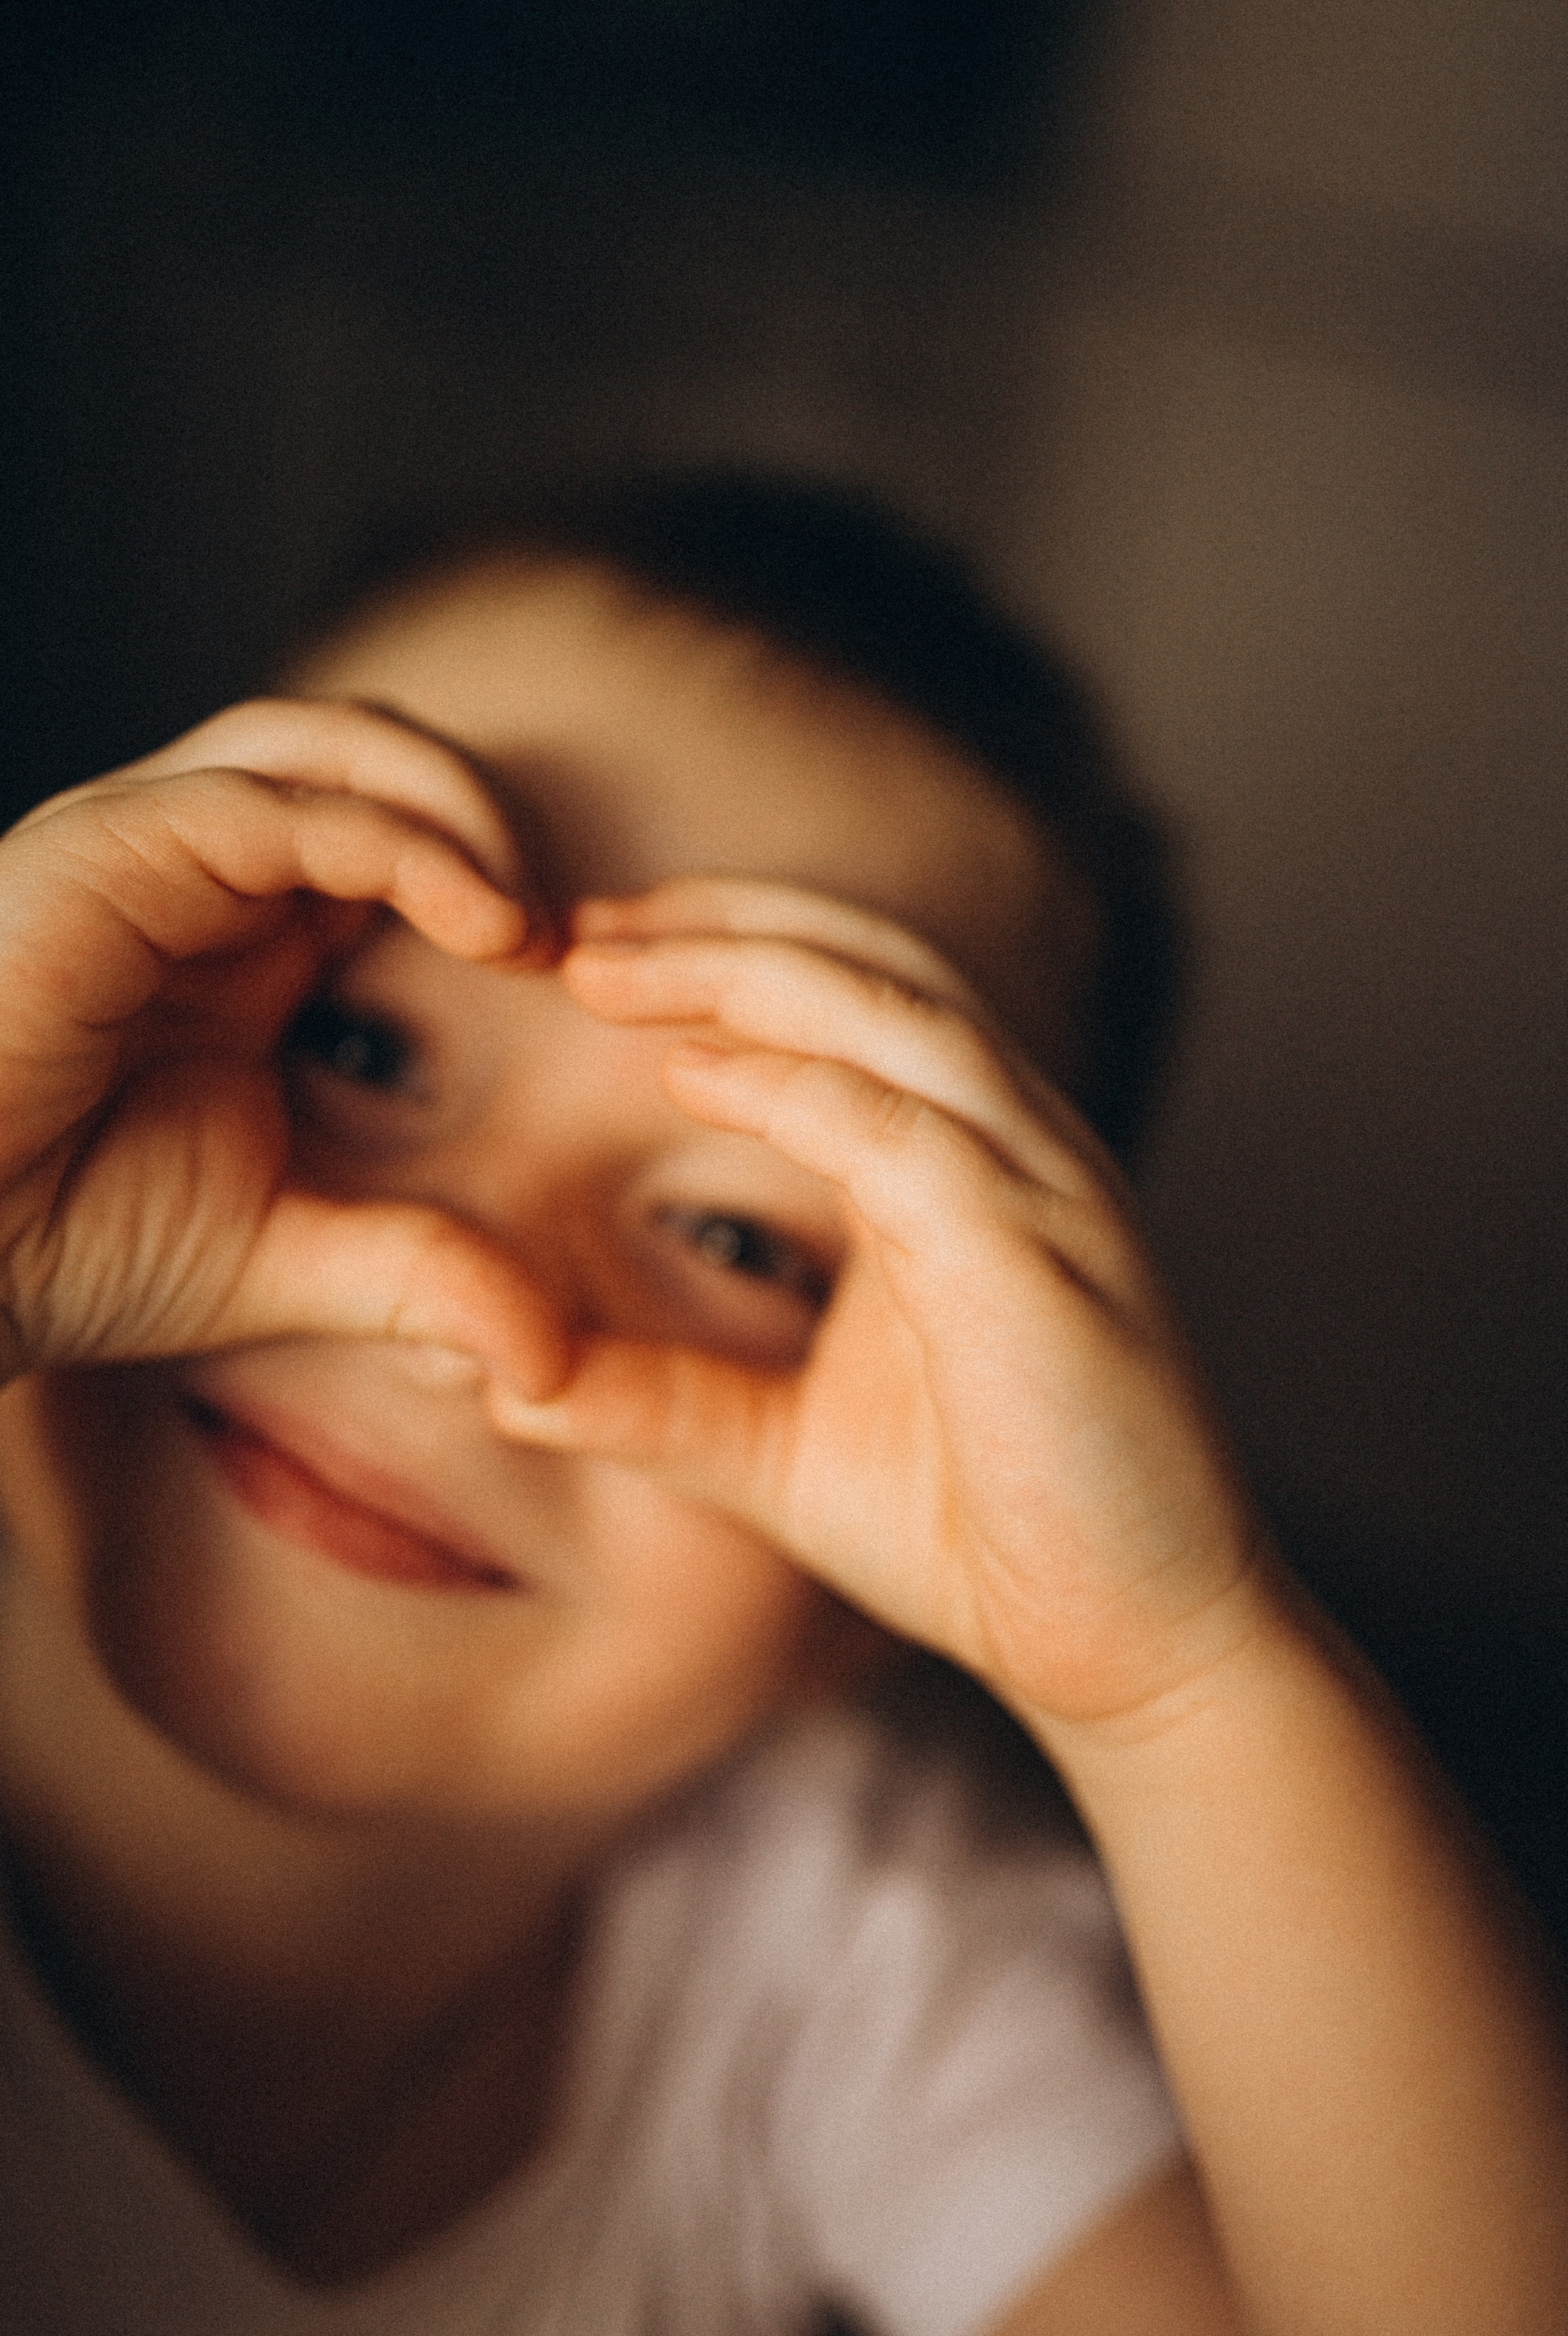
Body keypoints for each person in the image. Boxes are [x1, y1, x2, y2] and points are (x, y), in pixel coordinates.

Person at [0, 472, 1563, 2336]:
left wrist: (1175, 1682)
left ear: (852, 1617)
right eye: (359, 1047)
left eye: (735, 1237)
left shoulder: (846, 1954)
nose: (464, 1312)